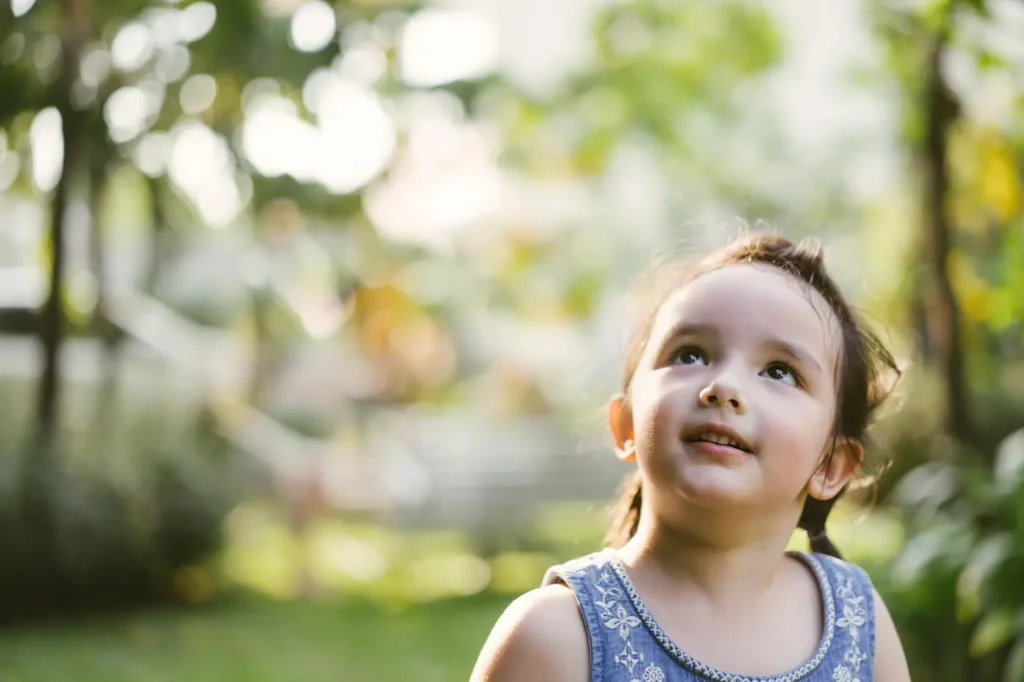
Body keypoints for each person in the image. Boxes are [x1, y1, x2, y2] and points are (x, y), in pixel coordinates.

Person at [470, 233, 912, 682]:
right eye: (691, 354)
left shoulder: (860, 626)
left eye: (779, 371)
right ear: (624, 425)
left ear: (830, 466)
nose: (723, 387)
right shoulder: (556, 637)